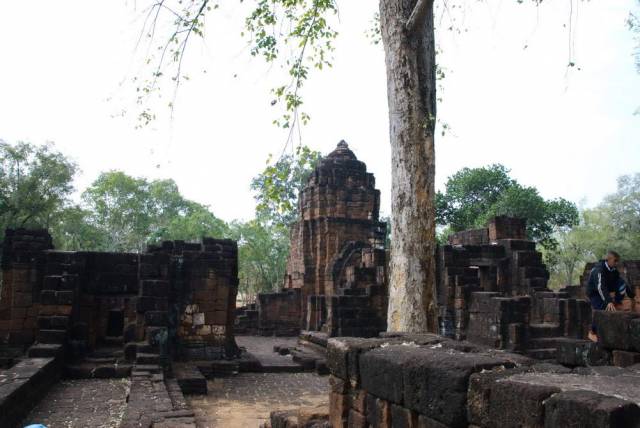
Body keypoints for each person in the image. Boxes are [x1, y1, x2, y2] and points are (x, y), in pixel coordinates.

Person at [586, 250, 634, 342]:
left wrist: (632, 295)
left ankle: (616, 302)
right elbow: (600, 287)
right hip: (594, 292)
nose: (616, 263)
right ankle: (592, 332)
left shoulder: (613, 270)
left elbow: (621, 281)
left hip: (605, 290)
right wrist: (608, 301)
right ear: (609, 259)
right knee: (602, 309)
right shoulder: (599, 269)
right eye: (615, 261)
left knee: (622, 284)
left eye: (617, 261)